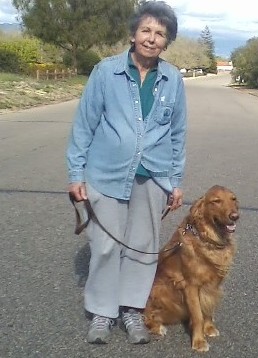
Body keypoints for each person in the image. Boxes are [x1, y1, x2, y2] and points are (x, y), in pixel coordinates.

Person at [66, 0, 187, 345]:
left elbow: (178, 133)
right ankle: (102, 312)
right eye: (146, 30)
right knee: (104, 245)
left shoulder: (173, 78)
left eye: (160, 33)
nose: (151, 38)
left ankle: (132, 308)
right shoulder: (106, 72)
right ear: (133, 34)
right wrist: (76, 173)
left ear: (166, 41)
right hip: (104, 173)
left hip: (153, 177)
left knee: (141, 245)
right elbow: (83, 126)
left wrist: (175, 182)